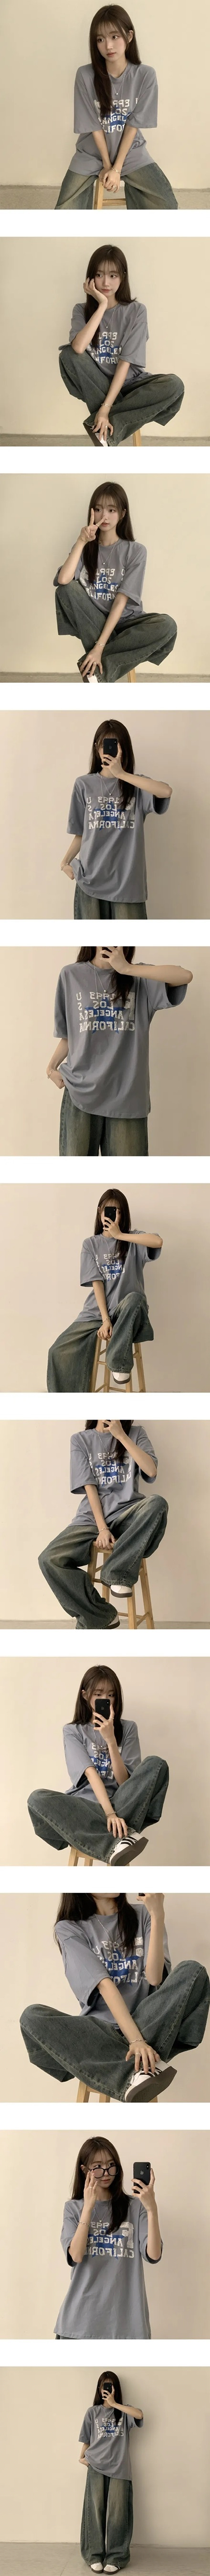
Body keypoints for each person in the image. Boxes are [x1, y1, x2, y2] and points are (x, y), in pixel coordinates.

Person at [20, 1889, 210, 2103]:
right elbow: (105, 1985)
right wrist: (135, 2041)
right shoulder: (69, 1928)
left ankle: (126, 2072)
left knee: (193, 1971)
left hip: (147, 2022)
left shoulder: (144, 1915)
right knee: (32, 2017)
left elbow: (155, 1978)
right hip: (101, 2033)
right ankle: (135, 2075)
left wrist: (158, 1915)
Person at [46, 945, 192, 1159]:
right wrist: (51, 1068)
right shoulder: (71, 975)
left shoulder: (140, 978)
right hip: (80, 1093)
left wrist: (127, 969)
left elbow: (185, 976)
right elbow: (71, 1036)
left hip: (127, 1097)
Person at [27, 1657, 169, 1864]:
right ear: (86, 1696)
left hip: (122, 1805)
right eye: (99, 1694)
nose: (106, 1699)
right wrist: (109, 1814)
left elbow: (125, 1782)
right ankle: (117, 1843)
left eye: (111, 1695)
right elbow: (91, 1774)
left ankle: (105, 1838)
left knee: (156, 1764)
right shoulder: (73, 1731)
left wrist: (111, 1740)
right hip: (85, 1808)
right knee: (37, 1798)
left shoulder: (128, 1728)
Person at [37, 1416, 168, 1631]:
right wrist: (103, 1528)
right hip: (91, 1519)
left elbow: (151, 1471)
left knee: (158, 1503)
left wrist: (121, 1436)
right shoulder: (81, 1440)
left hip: (129, 1515)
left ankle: (117, 1574)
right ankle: (101, 1616)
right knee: (50, 1560)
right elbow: (90, 1487)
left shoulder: (137, 1433)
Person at [59, 243, 184, 447]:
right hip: (97, 383)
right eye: (99, 275)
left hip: (132, 385)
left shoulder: (137, 311)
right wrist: (102, 305)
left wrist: (106, 408)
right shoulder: (81, 310)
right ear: (90, 278)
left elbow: (125, 363)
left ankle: (104, 429)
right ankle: (114, 424)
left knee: (174, 385)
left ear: (123, 277)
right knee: (68, 354)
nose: (105, 282)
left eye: (113, 276)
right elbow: (79, 349)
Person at [53, 481, 177, 682]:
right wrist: (82, 541)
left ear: (122, 514)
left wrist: (100, 647)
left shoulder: (136, 551)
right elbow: (64, 580)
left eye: (112, 510)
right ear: (91, 512)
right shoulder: (85, 548)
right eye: (99, 509)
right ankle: (106, 664)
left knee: (168, 625)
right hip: (94, 622)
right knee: (65, 590)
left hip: (128, 624)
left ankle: (99, 673)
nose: (104, 516)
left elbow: (121, 602)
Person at [56, 8, 178, 212]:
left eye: (114, 37)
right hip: (92, 153)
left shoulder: (145, 76)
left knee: (168, 205)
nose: (108, 46)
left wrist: (117, 169)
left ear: (129, 36)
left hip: (130, 152)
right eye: (100, 39)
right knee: (65, 211)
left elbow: (133, 125)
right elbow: (93, 125)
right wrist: (107, 165)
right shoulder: (85, 75)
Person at [46, 1184, 163, 1391]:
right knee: (57, 1351)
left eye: (118, 1211)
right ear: (100, 1212)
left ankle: (118, 1362)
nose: (113, 1215)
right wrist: (105, 1319)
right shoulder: (90, 1245)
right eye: (109, 1210)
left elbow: (158, 1241)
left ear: (123, 1215)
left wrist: (121, 1236)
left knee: (136, 1298)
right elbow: (97, 1284)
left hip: (128, 1310)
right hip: (97, 1313)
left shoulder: (133, 1239)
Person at [61, 718, 172, 920]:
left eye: (116, 744)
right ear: (97, 748)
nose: (110, 750)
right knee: (92, 940)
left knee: (128, 939)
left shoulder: (138, 785)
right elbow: (82, 834)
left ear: (125, 749)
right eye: (105, 744)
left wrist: (121, 774)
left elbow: (166, 791)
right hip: (90, 881)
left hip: (128, 884)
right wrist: (65, 863)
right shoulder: (83, 785)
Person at [54, 2140, 162, 2339]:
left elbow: (154, 2255)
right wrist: (88, 2207)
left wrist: (152, 2209)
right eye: (98, 2167)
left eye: (111, 2165)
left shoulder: (135, 2207)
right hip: (80, 2324)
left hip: (127, 2324)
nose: (106, 2173)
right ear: (85, 2170)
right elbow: (76, 2256)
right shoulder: (73, 2209)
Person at [79, 2367, 144, 2568]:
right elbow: (87, 2439)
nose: (107, 2389)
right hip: (96, 2466)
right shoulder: (93, 2412)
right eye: (104, 2386)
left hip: (120, 2468)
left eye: (111, 2386)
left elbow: (140, 2415)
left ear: (116, 2389)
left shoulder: (124, 2411)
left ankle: (117, 2557)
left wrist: (115, 2404)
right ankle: (94, 2556)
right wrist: (81, 2458)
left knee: (118, 2513)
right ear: (99, 2389)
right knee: (95, 2511)